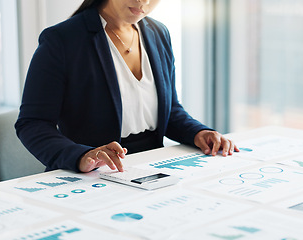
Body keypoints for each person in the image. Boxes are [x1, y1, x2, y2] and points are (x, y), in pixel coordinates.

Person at [15, 0, 239, 174]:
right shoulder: (62, 40)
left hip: (152, 170)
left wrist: (198, 132)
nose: (143, 2)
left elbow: (169, 111)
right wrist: (82, 156)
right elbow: (32, 124)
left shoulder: (159, 34)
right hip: (93, 178)